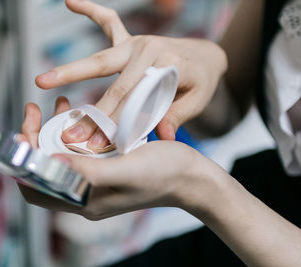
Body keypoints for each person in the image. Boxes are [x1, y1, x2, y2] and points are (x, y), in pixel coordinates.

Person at [19, 0, 301, 266]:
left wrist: (199, 187)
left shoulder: (208, 190)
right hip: (235, 226)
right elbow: (228, 108)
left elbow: (203, 187)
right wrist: (200, 64)